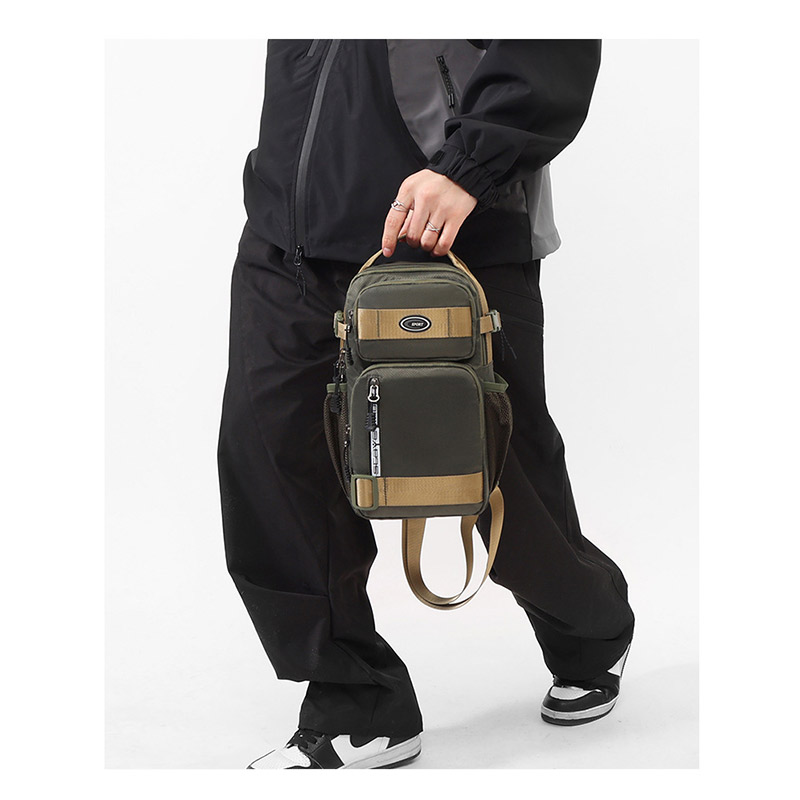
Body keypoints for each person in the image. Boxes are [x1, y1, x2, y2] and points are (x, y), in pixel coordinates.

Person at [217, 39, 635, 770]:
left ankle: (590, 627)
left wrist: (469, 165)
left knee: (502, 479)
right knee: (273, 461)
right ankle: (360, 705)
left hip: (440, 225)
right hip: (288, 233)